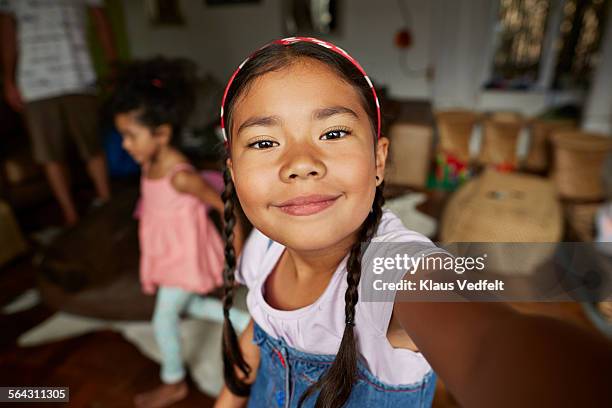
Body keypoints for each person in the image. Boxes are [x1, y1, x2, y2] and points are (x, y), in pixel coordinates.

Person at [214, 38, 612, 408]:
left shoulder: (395, 270)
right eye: (264, 142)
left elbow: (486, 349)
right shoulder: (263, 249)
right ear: (233, 174)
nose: (301, 163)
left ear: (379, 161)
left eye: (333, 132)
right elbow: (257, 335)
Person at [109, 57, 248, 408]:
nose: (125, 144)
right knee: (193, 306)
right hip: (166, 253)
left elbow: (226, 207)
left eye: (130, 136)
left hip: (185, 257)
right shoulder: (150, 162)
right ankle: (253, 322)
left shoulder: (181, 176)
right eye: (121, 135)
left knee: (165, 316)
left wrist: (237, 253)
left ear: (162, 134)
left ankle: (173, 382)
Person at [0, 0, 115, 225]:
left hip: (80, 77)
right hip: (34, 83)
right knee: (49, 154)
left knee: (92, 146)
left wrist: (113, 65)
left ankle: (107, 204)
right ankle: (70, 216)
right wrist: (8, 79)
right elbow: (7, 30)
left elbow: (100, 18)